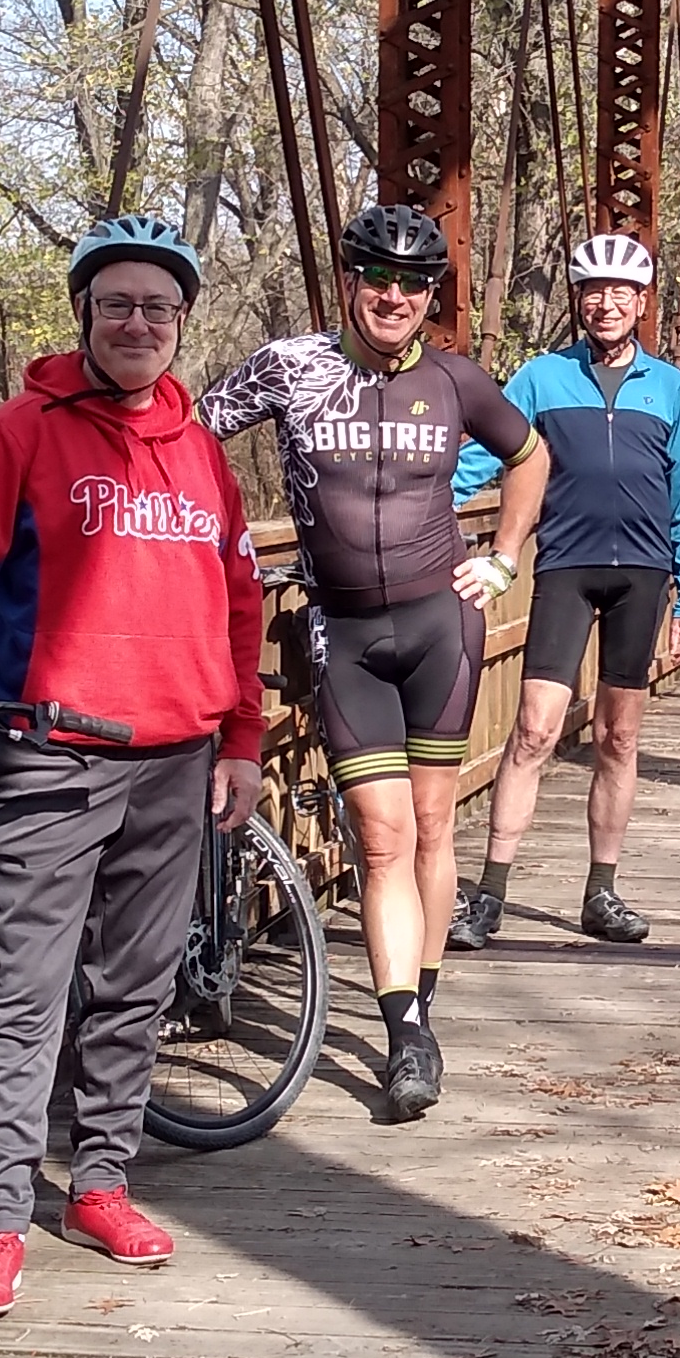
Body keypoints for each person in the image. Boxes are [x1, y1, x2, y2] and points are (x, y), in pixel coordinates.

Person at [0, 213, 269, 1321]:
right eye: (116, 304)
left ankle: (102, 1184)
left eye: (158, 309)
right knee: (24, 993)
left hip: (178, 756)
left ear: (181, 325)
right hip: (52, 752)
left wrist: (243, 738)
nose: (137, 324)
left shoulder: (201, 451)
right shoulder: (22, 430)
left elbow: (241, 601)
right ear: (83, 314)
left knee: (135, 988)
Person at [198, 201, 548, 1119]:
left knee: (431, 828)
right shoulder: (291, 366)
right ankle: (405, 1034)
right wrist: (200, 538)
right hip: (344, 631)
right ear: (350, 281)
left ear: (431, 296)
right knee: (381, 836)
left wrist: (505, 555)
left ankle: (417, 1015)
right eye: (379, 278)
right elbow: (183, 435)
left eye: (414, 284)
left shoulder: (455, 379)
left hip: (441, 625)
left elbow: (531, 455)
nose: (395, 297)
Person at [452, 232, 680, 949]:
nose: (607, 304)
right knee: (534, 730)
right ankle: (491, 895)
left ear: (642, 303)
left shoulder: (670, 387)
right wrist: (424, 506)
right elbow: (485, 455)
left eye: (621, 292)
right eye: (594, 291)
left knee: (618, 737)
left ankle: (602, 892)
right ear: (579, 300)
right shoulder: (541, 377)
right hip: (565, 566)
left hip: (643, 575)